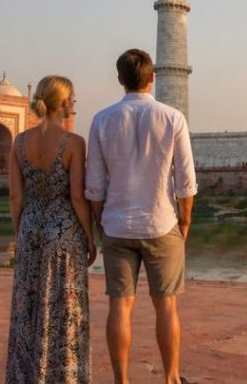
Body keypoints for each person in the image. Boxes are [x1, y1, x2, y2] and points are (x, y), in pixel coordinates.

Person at [86, 49, 196, 384]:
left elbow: (94, 185)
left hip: (117, 226)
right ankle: (172, 379)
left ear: (120, 80)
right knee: (167, 307)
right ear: (153, 77)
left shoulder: (102, 120)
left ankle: (122, 381)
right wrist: (184, 223)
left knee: (120, 306)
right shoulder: (172, 117)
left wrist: (101, 224)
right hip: (162, 224)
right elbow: (186, 182)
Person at [5, 75, 97, 384]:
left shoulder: (19, 141)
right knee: (63, 308)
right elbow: (76, 196)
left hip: (30, 226)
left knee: (27, 307)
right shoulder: (73, 143)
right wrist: (90, 235)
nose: (74, 104)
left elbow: (16, 195)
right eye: (73, 98)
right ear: (64, 103)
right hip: (64, 235)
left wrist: (21, 232)